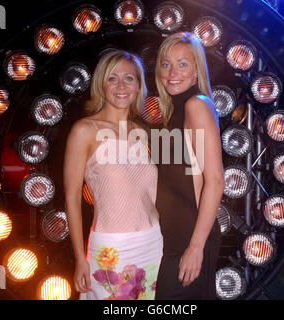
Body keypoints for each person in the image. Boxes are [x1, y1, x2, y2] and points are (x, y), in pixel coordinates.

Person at [63, 50, 163, 300]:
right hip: (111, 249)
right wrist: (80, 259)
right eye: (112, 78)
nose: (121, 86)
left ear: (138, 85)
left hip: (153, 243)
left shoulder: (141, 132)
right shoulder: (84, 130)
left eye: (129, 78)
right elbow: (72, 199)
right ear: (101, 84)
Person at [154, 32, 225, 300]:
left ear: (196, 71)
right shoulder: (172, 110)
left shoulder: (196, 105)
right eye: (166, 64)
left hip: (188, 237)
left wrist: (196, 247)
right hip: (168, 236)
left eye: (183, 64)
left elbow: (216, 181)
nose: (172, 72)